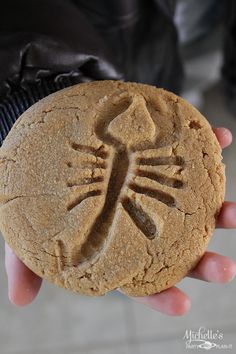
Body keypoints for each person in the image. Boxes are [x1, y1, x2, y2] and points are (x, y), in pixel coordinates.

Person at [1, 0, 236, 316]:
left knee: (188, 65)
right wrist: (32, 100)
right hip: (96, 30)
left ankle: (121, 270)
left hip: (179, 24)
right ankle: (113, 272)